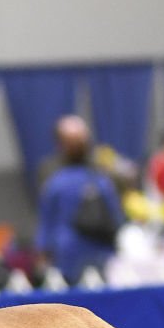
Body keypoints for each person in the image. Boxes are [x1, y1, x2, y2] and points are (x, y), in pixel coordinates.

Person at [36, 115, 124, 284]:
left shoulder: (55, 183)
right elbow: (116, 218)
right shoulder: (102, 181)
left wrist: (42, 255)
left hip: (67, 258)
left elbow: (46, 226)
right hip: (101, 254)